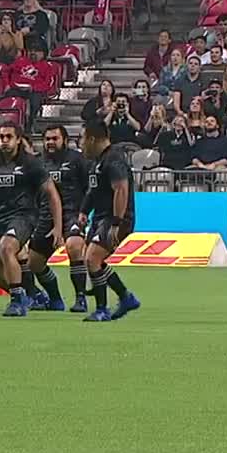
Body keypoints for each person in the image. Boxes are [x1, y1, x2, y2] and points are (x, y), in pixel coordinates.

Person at [0, 123, 63, 318]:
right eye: (1, 137)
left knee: (7, 247)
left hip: (25, 216)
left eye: (9, 137)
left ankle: (17, 302)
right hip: (0, 217)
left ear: (18, 139)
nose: (4, 141)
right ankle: (33, 295)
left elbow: (52, 194)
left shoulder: (31, 164)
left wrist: (58, 227)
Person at [79, 120, 141, 322]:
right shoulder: (98, 161)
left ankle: (102, 309)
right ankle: (125, 297)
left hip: (114, 218)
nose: (80, 144)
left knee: (92, 259)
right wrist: (83, 211)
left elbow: (121, 189)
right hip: (100, 217)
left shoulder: (114, 158)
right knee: (94, 261)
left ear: (92, 139)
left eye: (82, 139)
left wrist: (117, 222)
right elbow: (93, 190)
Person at [26, 125, 89, 313]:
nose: (50, 143)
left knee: (75, 246)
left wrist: (85, 212)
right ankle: (55, 298)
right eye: (47, 139)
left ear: (65, 140)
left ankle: (81, 298)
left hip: (72, 214)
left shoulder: (77, 160)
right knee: (34, 262)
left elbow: (90, 188)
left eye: (55, 139)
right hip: (46, 217)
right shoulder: (37, 163)